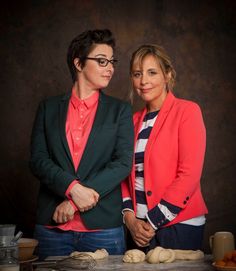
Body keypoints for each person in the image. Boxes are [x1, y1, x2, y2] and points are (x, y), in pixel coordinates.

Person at [30, 29, 134, 259]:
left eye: (112, 62)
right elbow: (38, 160)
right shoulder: (48, 108)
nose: (110, 68)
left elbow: (123, 163)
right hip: (51, 228)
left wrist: (74, 204)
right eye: (101, 61)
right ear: (78, 63)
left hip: (103, 229)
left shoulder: (120, 110)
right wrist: (72, 189)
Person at [121, 44, 208, 252]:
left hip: (179, 226)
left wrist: (152, 221)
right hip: (137, 228)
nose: (144, 81)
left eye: (152, 73)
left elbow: (189, 175)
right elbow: (123, 173)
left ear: (167, 75)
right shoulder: (131, 121)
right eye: (137, 74)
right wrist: (130, 219)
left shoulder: (187, 111)